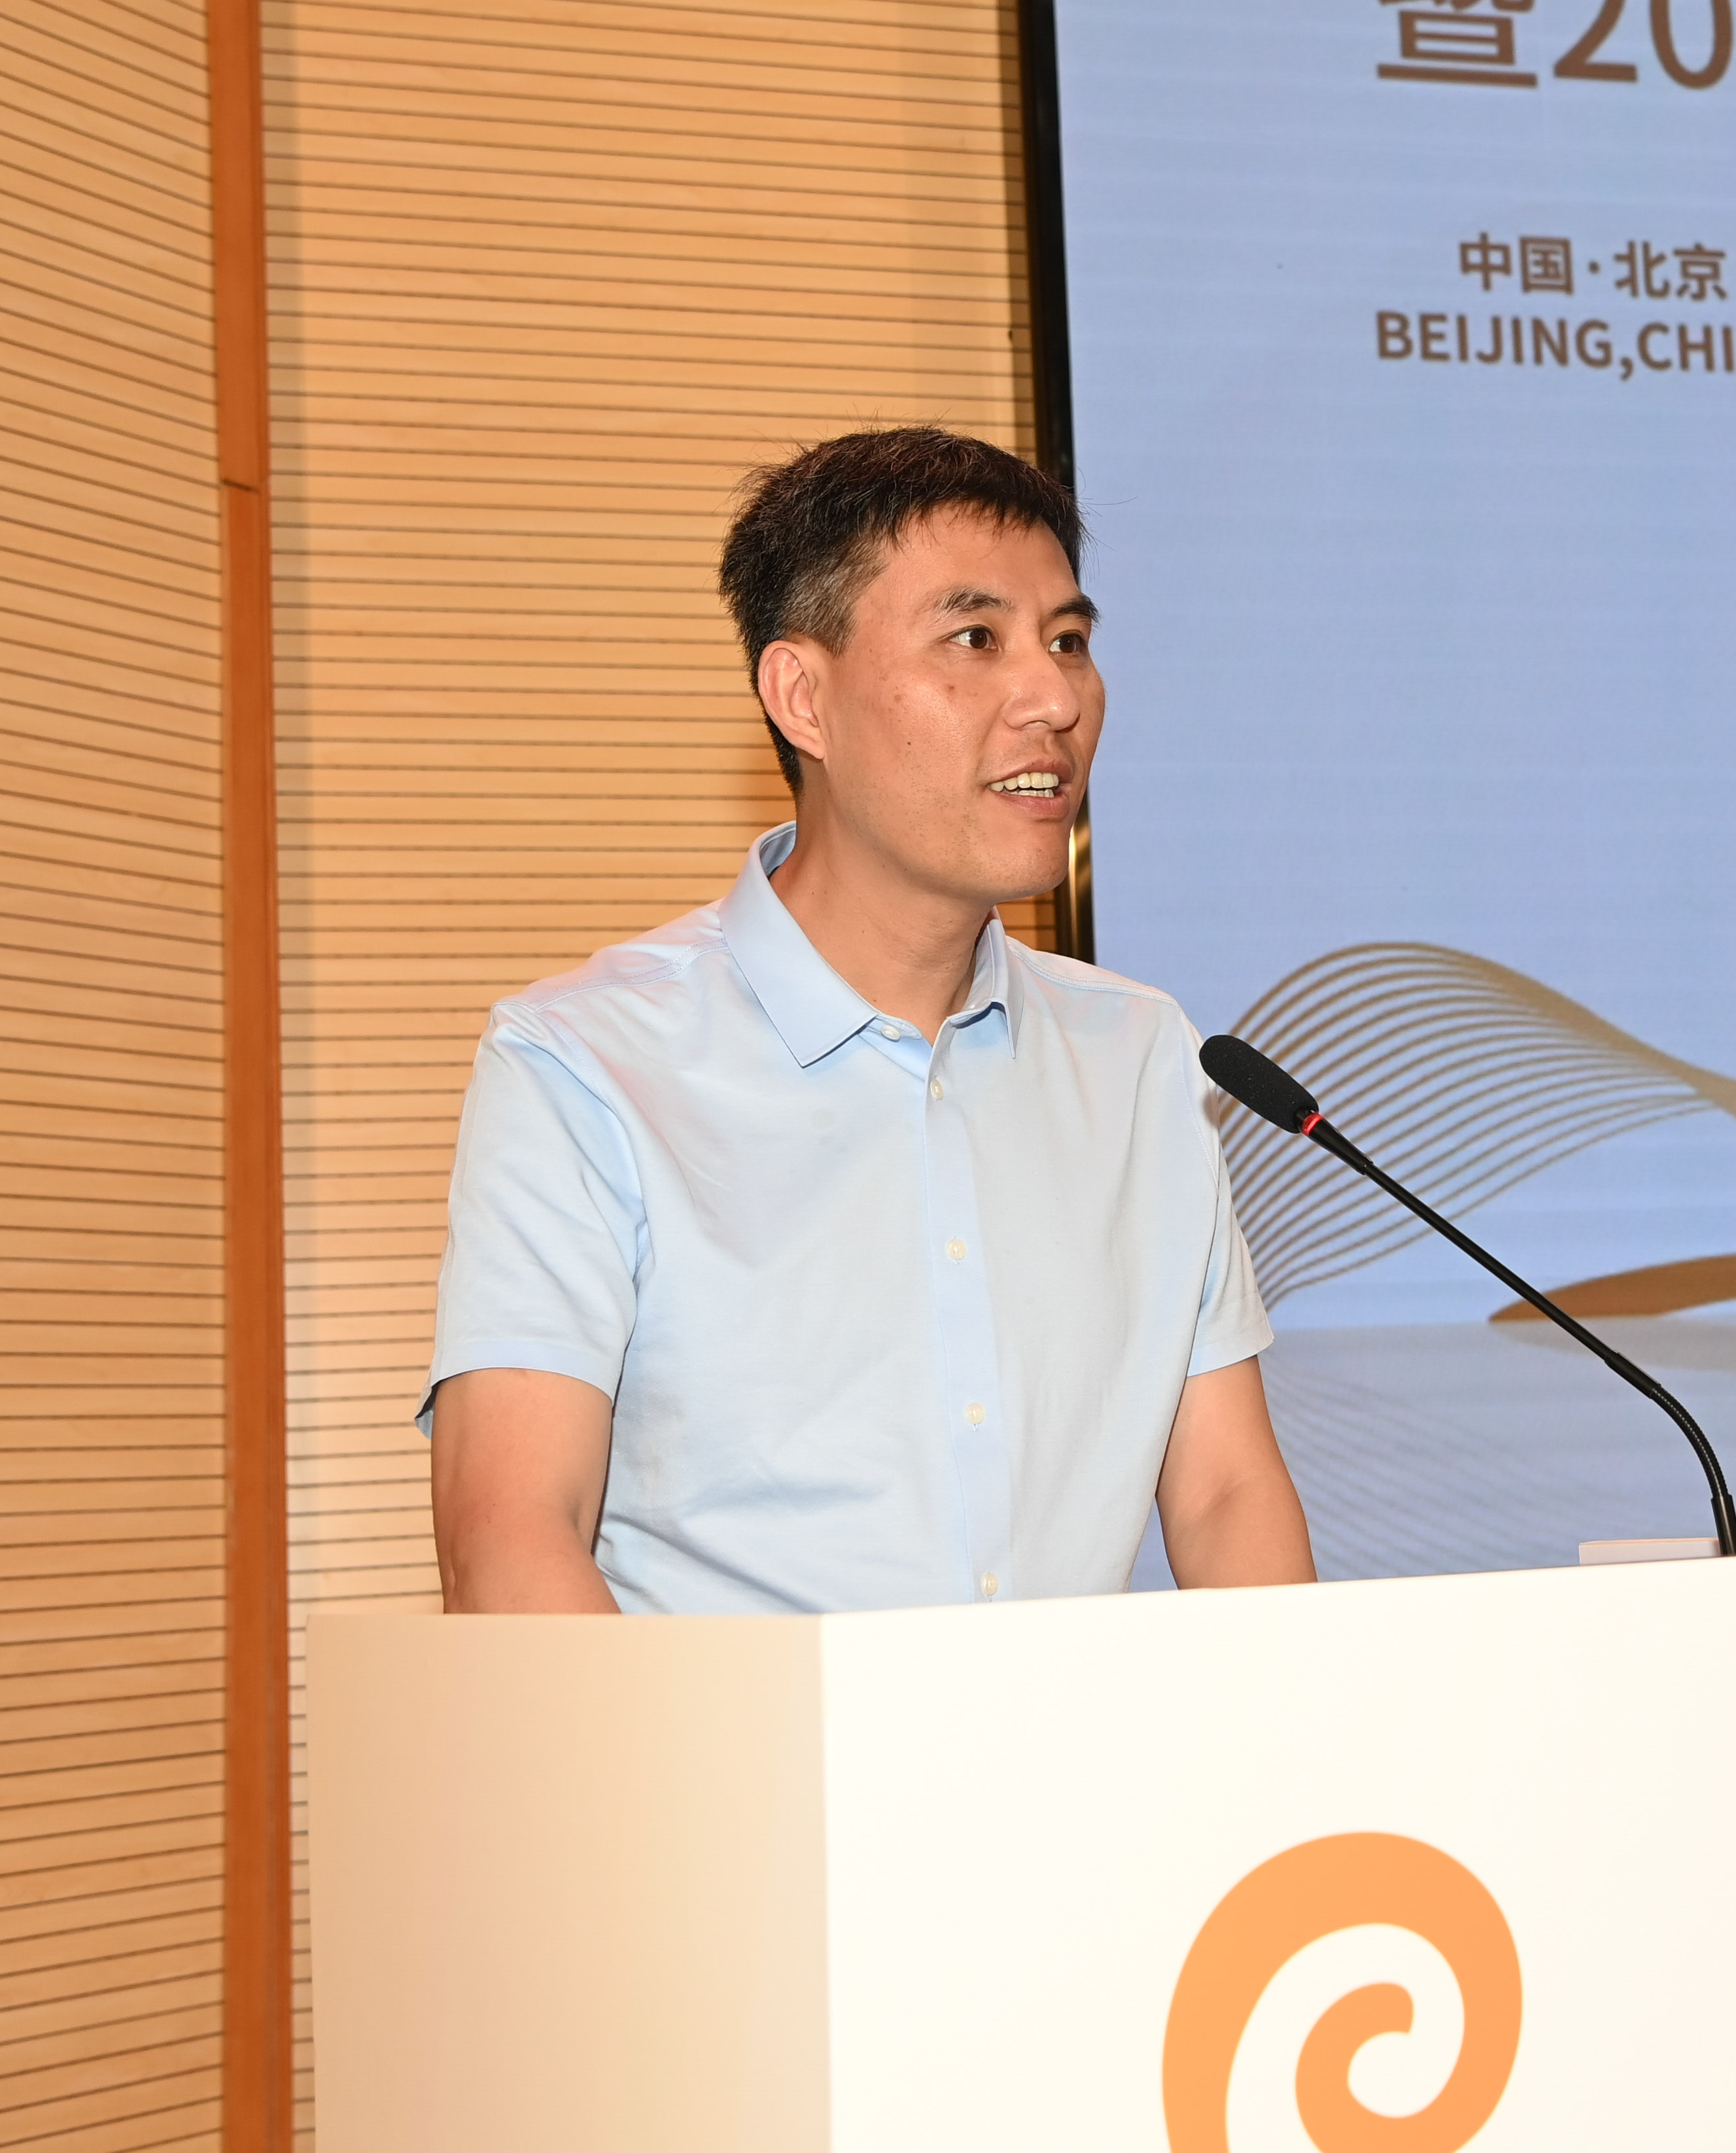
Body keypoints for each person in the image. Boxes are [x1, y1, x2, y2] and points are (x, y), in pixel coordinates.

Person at [422, 427, 1313, 1612]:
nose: (1055, 699)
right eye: (976, 640)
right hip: (733, 1740)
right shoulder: (586, 1063)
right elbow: (512, 1538)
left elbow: (1225, 1497)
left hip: (1084, 1739)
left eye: (1069, 641)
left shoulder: (1143, 1055)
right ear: (804, 697)